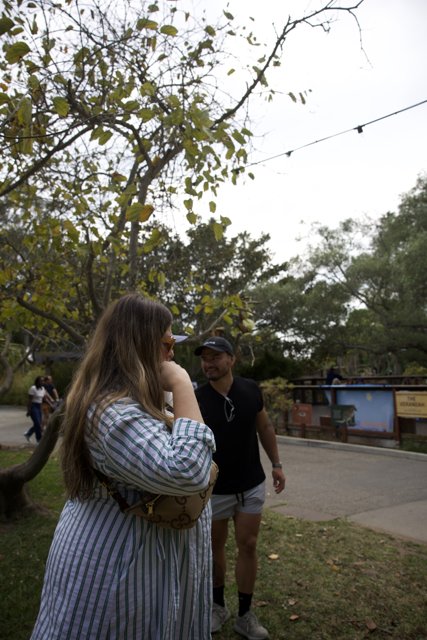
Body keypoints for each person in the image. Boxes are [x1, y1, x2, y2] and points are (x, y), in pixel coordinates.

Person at [31, 294, 216, 640]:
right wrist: (180, 382)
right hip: (118, 567)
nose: (172, 353)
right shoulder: (112, 411)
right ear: (140, 344)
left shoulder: (131, 402)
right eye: (166, 342)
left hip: (144, 557)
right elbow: (187, 469)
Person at [194, 336, 286, 640]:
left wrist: (276, 463)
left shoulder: (250, 389)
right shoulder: (196, 398)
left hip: (251, 483)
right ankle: (217, 607)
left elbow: (265, 427)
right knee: (214, 547)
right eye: (205, 358)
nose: (209, 363)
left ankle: (245, 614)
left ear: (231, 359)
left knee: (248, 544)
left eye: (216, 357)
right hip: (215, 488)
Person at [24, 376, 54, 443]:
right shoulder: (33, 388)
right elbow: (29, 400)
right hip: (33, 407)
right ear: (37, 382)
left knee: (38, 423)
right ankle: (39, 440)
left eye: (43, 381)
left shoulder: (42, 388)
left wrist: (51, 404)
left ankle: (28, 434)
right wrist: (28, 410)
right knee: (38, 424)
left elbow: (45, 398)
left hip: (39, 407)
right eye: (41, 381)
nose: (42, 382)